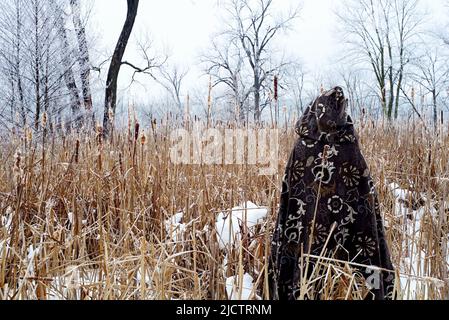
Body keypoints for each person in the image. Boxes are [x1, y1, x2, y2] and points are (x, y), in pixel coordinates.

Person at [268, 86, 395, 300]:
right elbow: (366, 204)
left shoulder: (303, 148)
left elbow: (289, 201)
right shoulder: (349, 148)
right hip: (345, 245)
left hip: (307, 238)